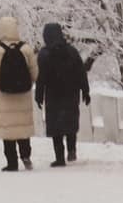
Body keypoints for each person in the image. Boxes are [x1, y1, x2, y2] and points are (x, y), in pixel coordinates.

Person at [0, 13, 39, 171]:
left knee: (7, 131)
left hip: (2, 95)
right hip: (23, 94)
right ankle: (26, 156)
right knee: (22, 127)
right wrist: (26, 85)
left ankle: (12, 162)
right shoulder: (26, 49)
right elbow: (35, 73)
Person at [35, 20, 90, 166]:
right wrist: (85, 91)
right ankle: (72, 150)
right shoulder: (72, 51)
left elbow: (41, 78)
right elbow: (81, 73)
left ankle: (59, 158)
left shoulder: (44, 54)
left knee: (56, 126)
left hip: (53, 95)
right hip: (71, 93)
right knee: (70, 122)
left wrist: (38, 95)